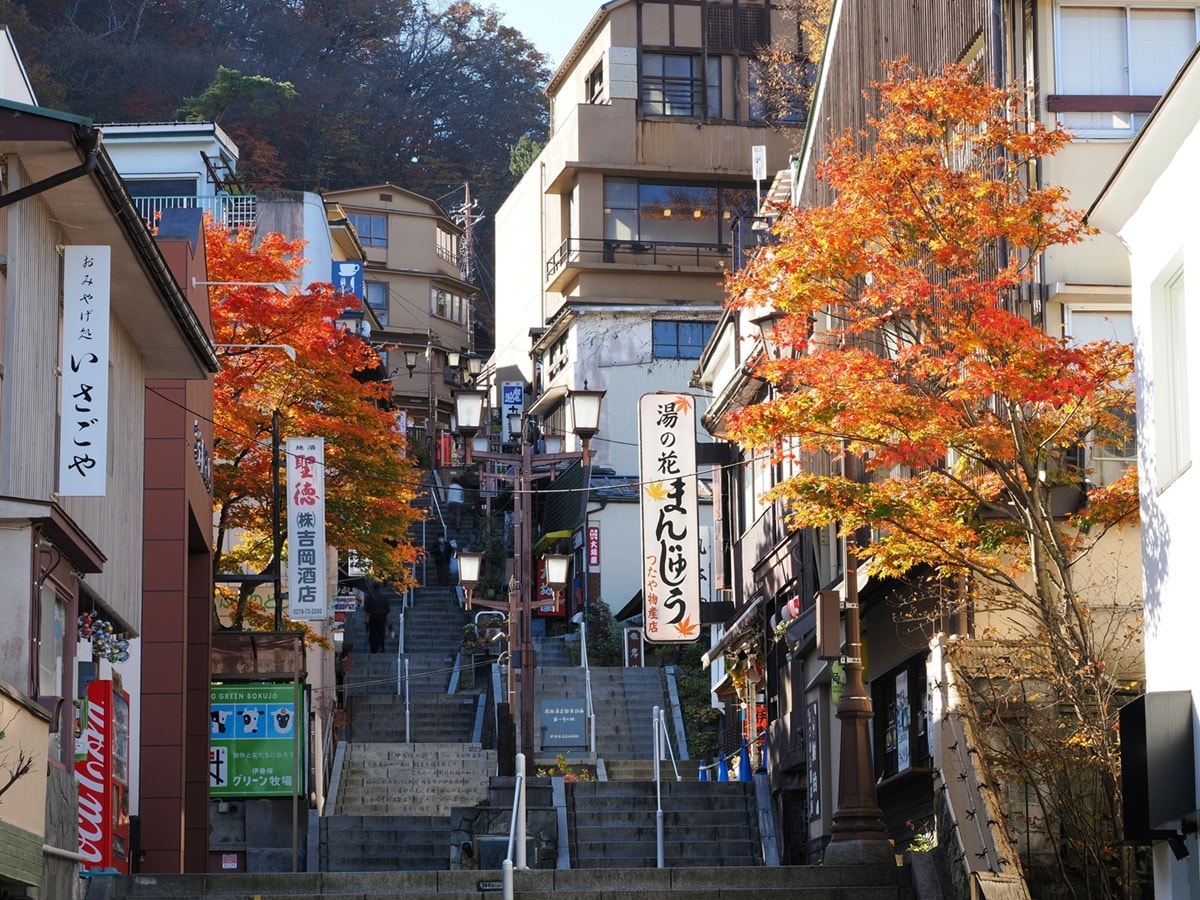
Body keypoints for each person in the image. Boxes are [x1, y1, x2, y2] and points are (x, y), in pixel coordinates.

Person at [363, 586, 390, 654]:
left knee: (372, 633)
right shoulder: (383, 597)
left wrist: (366, 618)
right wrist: (387, 619)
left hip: (372, 616)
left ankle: (373, 649)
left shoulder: (369, 597)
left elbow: (367, 609)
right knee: (381, 633)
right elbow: (387, 610)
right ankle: (381, 647)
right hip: (381, 616)